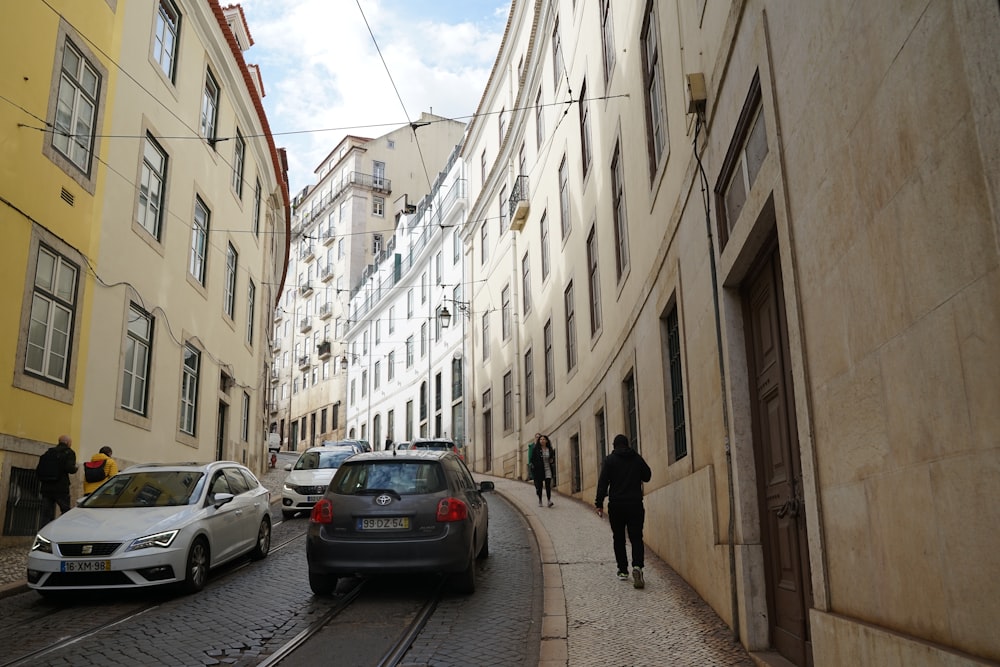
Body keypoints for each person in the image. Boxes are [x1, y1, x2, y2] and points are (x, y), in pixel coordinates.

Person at [595, 433, 652, 589]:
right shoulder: (636, 458)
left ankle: (622, 570)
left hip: (617, 505)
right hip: (635, 504)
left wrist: (599, 503)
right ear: (627, 444)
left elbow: (602, 483)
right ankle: (638, 567)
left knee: (618, 537)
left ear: (614, 445)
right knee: (636, 537)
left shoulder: (609, 460)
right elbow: (647, 476)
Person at [37, 435, 78, 526]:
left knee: (46, 514)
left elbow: (39, 470)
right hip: (60, 487)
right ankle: (61, 530)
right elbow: (70, 469)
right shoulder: (69, 452)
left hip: (46, 488)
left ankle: (44, 532)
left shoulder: (48, 453)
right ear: (67, 443)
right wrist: (75, 468)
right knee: (65, 511)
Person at [530, 434, 556, 507]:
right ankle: (540, 500)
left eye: (544, 439)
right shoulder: (536, 449)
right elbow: (532, 459)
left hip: (548, 469)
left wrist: (552, 460)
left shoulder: (549, 449)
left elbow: (552, 458)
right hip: (539, 470)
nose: (542, 440)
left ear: (546, 441)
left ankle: (549, 500)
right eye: (541, 439)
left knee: (548, 485)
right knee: (540, 486)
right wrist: (536, 466)